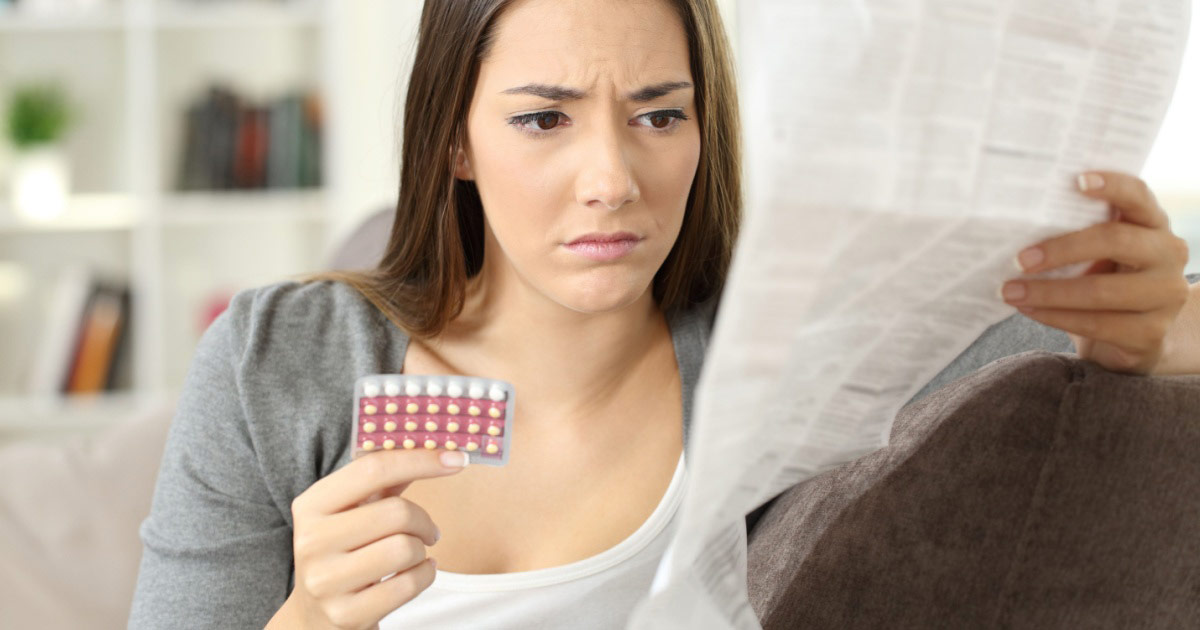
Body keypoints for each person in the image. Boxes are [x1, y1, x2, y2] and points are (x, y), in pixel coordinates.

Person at [127, 0, 1200, 628]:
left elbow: (1100, 335)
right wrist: (306, 620)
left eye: (659, 115)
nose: (611, 179)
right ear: (454, 142)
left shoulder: (789, 343)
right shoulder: (272, 363)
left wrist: (1154, 326)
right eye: (544, 118)